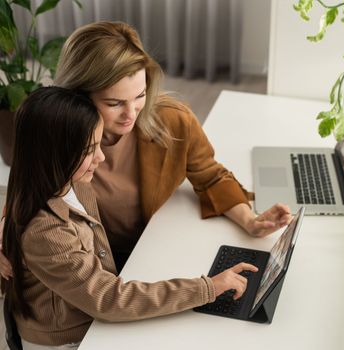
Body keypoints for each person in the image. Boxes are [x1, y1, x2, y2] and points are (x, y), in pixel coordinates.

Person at [0, 21, 290, 277]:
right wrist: (7, 227)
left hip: (151, 250)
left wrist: (250, 221)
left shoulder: (174, 120)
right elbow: (27, 190)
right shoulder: (55, 136)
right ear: (77, 96)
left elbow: (210, 176)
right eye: (114, 103)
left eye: (139, 96)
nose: (131, 113)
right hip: (93, 270)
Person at [1, 87, 260, 349]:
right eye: (89, 150)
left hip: (92, 314)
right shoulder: (47, 232)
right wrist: (206, 289)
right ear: (55, 155)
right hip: (69, 339)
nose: (101, 158)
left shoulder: (71, 183)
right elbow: (108, 299)